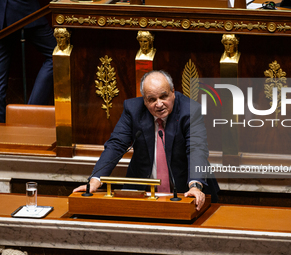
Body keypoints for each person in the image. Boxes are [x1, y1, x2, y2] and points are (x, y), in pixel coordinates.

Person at [74, 70, 219, 210]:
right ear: (144, 100)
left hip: (185, 191)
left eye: (164, 96)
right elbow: (116, 145)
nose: (159, 104)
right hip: (142, 192)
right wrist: (95, 180)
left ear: (173, 92)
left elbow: (196, 148)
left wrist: (195, 185)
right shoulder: (133, 109)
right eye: (152, 99)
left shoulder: (190, 110)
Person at [0, 0, 57, 123]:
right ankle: (30, 116)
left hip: (11, 13)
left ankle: (4, 130)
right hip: (23, 9)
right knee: (56, 55)